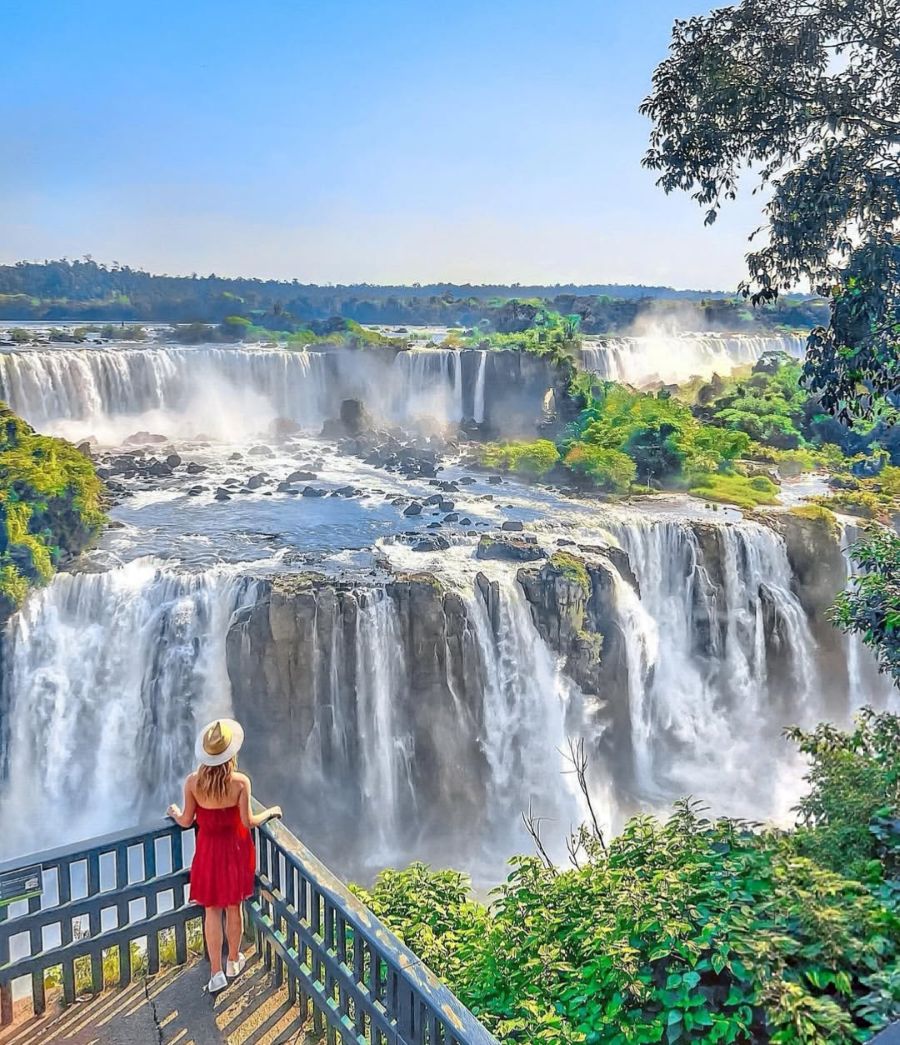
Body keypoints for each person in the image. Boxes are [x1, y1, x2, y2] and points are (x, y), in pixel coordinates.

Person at [167, 718, 282, 994]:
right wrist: (270, 812)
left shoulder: (193, 783)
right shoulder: (240, 783)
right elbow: (248, 821)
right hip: (235, 852)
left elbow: (186, 820)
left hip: (207, 853)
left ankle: (215, 972)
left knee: (211, 911)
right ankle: (233, 960)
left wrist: (174, 813)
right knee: (233, 907)